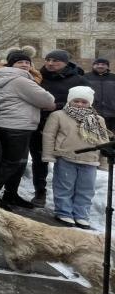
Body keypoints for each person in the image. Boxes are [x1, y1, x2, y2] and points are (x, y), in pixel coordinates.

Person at [0, 50, 55, 209]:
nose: (24, 65)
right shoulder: (20, 80)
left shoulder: (4, 77)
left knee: (17, 163)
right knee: (11, 163)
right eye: (20, 62)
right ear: (11, 65)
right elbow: (48, 100)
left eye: (27, 63)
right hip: (17, 126)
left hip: (11, 124)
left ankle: (10, 194)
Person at [27, 49, 89, 207]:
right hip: (39, 124)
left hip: (66, 127)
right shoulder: (37, 77)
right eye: (48, 59)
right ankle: (40, 192)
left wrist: (57, 106)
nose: (50, 63)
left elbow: (87, 104)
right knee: (39, 160)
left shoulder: (78, 80)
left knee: (65, 161)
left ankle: (65, 199)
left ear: (65, 63)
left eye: (55, 61)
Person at [42, 86, 109, 229]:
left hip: (90, 159)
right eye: (76, 101)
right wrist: (48, 155)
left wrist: (104, 162)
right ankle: (63, 212)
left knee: (86, 190)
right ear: (69, 100)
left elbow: (103, 141)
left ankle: (81, 215)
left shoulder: (98, 119)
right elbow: (49, 136)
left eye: (84, 102)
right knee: (64, 187)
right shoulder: (59, 115)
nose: (80, 104)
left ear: (89, 103)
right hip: (66, 157)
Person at [85, 57, 115, 132]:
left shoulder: (113, 77)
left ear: (107, 66)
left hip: (112, 113)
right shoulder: (85, 77)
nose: (100, 66)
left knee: (111, 136)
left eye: (103, 64)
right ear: (93, 66)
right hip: (91, 112)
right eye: (97, 64)